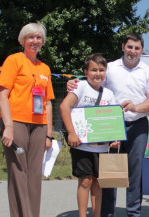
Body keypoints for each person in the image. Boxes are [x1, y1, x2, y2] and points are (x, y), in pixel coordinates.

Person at [67, 34, 149, 217]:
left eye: (137, 48)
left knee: (135, 172)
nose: (133, 51)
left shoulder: (148, 72)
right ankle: (106, 212)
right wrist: (73, 81)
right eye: (130, 47)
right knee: (109, 171)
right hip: (109, 126)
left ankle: (133, 212)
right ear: (123, 47)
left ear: (141, 50)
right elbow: (93, 80)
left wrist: (136, 107)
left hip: (138, 126)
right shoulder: (110, 68)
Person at [0, 22, 55, 217]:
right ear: (23, 40)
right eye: (31, 37)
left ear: (43, 42)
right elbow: (2, 94)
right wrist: (9, 126)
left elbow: (47, 103)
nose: (35, 41)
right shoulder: (14, 60)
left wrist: (49, 134)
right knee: (19, 172)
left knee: (34, 175)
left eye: (39, 38)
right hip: (16, 122)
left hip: (39, 126)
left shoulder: (45, 68)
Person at [60, 53, 117, 217]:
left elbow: (112, 119)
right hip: (82, 145)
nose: (97, 73)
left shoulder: (109, 94)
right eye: (93, 70)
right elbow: (64, 107)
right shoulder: (80, 86)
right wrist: (71, 132)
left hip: (102, 148)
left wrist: (114, 138)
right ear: (85, 72)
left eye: (101, 70)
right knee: (85, 181)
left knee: (98, 184)